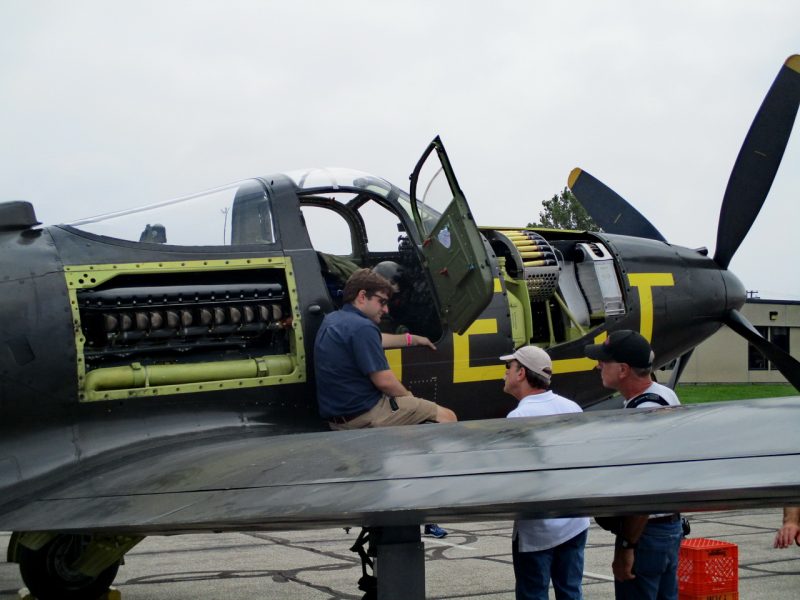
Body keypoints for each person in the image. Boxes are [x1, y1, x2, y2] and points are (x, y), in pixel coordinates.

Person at [314, 267, 456, 538]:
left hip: (339, 420)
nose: (386, 309)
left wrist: (411, 339)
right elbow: (385, 382)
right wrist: (410, 400)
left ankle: (405, 500)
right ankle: (433, 507)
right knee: (446, 417)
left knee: (410, 434)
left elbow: (375, 340)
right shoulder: (362, 327)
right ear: (362, 296)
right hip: (367, 416)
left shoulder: (335, 320)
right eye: (381, 301)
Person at [583, 329, 682, 600]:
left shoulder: (642, 414)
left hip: (646, 534)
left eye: (605, 361)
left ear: (623, 369)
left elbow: (645, 488)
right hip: (668, 529)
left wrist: (627, 546)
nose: (598, 366)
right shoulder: (664, 395)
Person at [500, 345, 589, 600]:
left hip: (537, 528)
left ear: (521, 373)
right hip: (574, 522)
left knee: (533, 594)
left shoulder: (519, 417)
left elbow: (513, 475)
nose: (505, 373)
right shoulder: (572, 408)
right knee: (571, 592)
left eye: (509, 367)